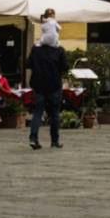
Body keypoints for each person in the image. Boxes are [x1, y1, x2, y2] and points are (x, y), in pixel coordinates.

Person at [27, 22, 67, 151]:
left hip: (39, 85)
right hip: (54, 85)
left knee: (38, 112)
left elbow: (28, 64)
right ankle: (54, 141)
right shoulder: (59, 50)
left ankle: (33, 138)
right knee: (54, 114)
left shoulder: (36, 49)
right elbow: (65, 67)